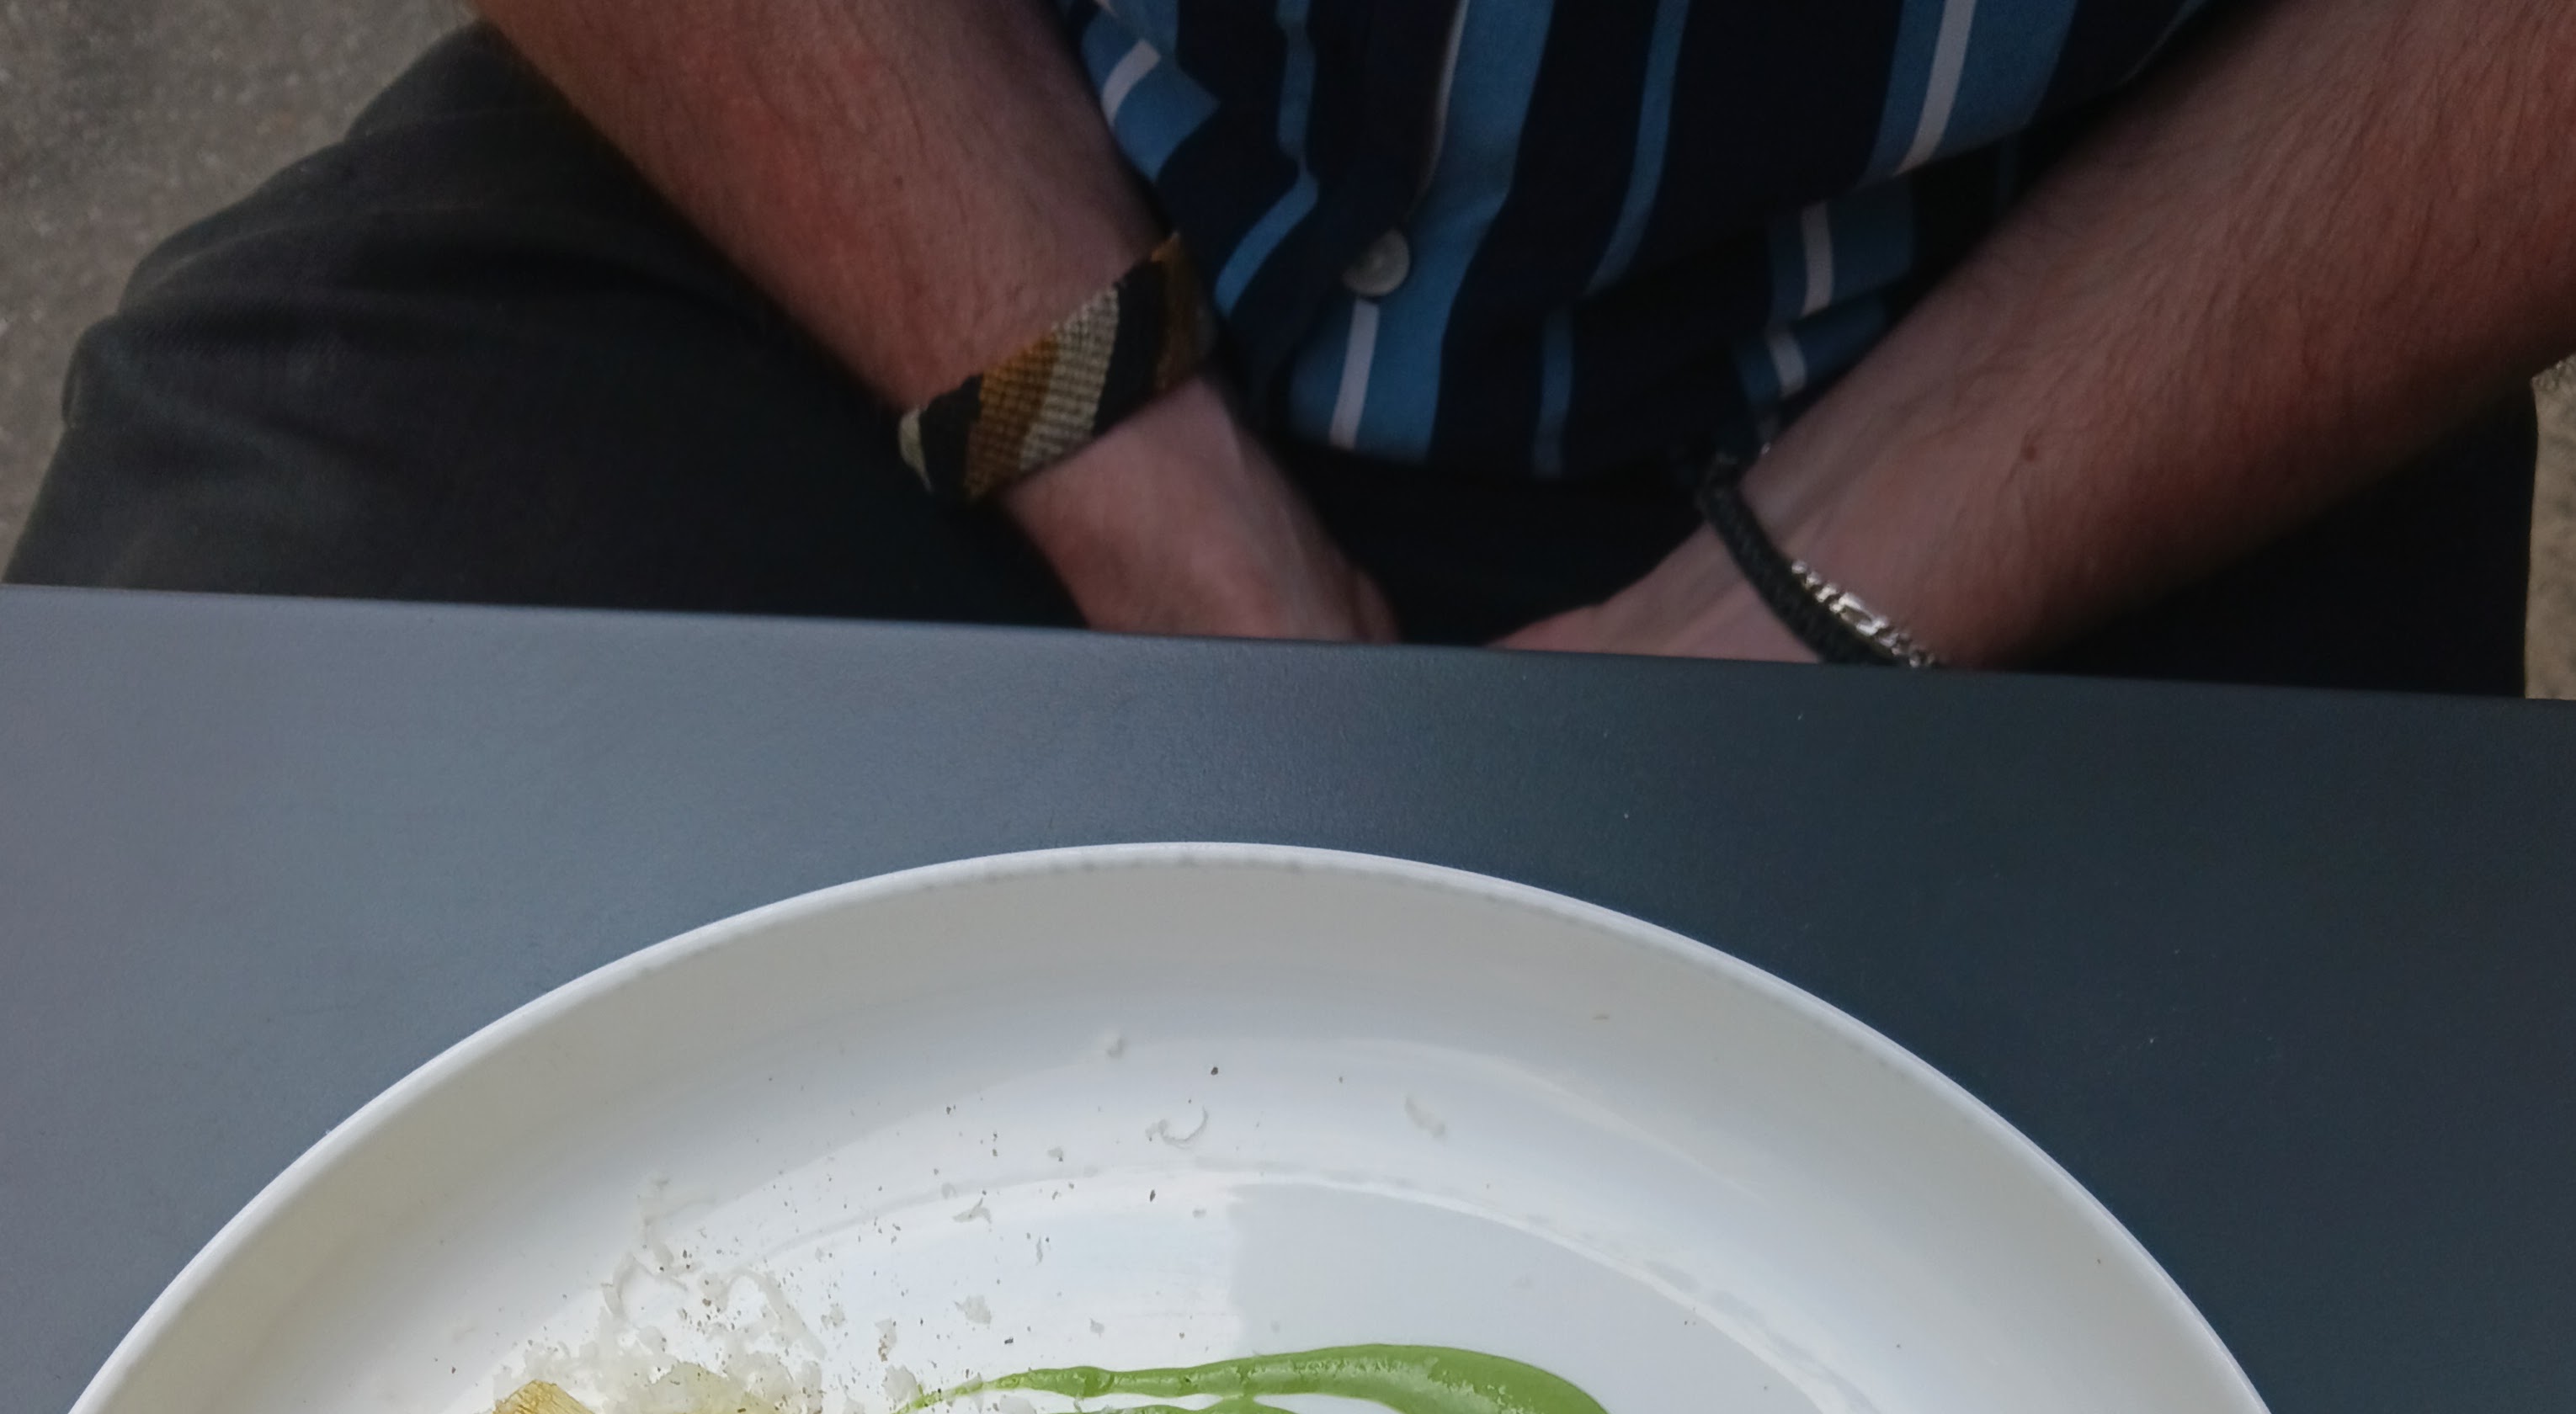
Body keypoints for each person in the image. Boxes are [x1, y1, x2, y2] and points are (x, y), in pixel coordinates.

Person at [10, 1, 2573, 691]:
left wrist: (1792, 608)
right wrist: (1120, 459)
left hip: (2137, 295)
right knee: (186, 849)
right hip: (902, 165)